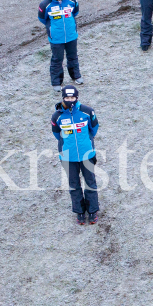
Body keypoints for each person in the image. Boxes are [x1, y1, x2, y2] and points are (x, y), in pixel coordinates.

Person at [50, 85, 100, 225]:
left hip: (87, 154)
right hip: (68, 156)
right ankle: (79, 212)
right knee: (73, 184)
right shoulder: (57, 116)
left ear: (76, 97)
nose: (70, 100)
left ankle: (92, 210)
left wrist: (85, 142)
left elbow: (94, 129)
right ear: (63, 98)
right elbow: (56, 134)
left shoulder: (88, 111)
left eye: (72, 97)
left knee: (90, 182)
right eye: (67, 97)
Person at [37, 0, 82, 90]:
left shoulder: (72, 0)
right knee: (57, 59)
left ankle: (76, 76)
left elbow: (75, 12)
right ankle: (56, 82)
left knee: (73, 57)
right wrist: (52, 28)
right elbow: (42, 19)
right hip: (56, 38)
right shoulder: (45, 5)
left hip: (71, 35)